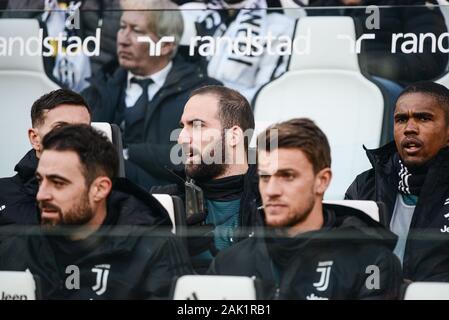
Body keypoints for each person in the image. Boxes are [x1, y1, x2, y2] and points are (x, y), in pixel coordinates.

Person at [208, 118, 402, 300]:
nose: (272, 190)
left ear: (322, 181)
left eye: (288, 176)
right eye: (265, 177)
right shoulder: (228, 263)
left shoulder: (371, 262)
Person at [0, 124, 191, 299]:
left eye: (58, 183)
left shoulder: (154, 249)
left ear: (99, 189)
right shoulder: (19, 247)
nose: (42, 195)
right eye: (41, 181)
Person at [82, 0, 221, 189]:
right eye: (122, 27)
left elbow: (205, 157)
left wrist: (128, 154)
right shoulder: (97, 89)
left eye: (137, 31)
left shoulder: (204, 95)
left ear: (165, 45)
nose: (123, 39)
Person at [346, 81, 449, 282]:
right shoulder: (365, 185)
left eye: (424, 118)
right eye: (401, 119)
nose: (410, 128)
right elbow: (344, 262)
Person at [153, 85, 262, 273]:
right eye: (182, 127)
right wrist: (178, 258)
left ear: (234, 136)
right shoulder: (165, 205)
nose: (181, 138)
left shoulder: (273, 201)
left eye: (196, 125)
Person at [0, 89, 91, 225]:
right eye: (60, 127)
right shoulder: (2, 194)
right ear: (35, 138)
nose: (74, 136)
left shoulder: (109, 196)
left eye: (82, 129)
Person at [179, 0, 295, 102]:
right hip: (184, 107)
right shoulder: (190, 12)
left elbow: (266, 93)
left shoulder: (279, 25)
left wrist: (217, 102)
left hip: (237, 116)